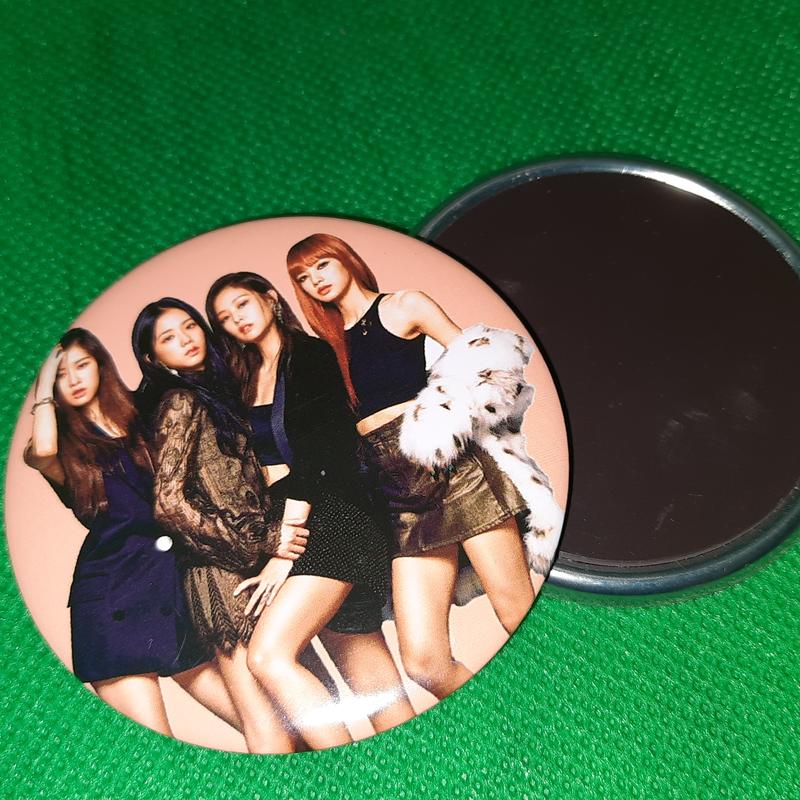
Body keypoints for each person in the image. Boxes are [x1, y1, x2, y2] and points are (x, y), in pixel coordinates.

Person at [287, 233, 539, 700]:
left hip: (451, 471)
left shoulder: (403, 306)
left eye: (321, 265)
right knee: (425, 663)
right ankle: (497, 718)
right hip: (394, 488)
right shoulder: (326, 346)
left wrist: (448, 426)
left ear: (345, 259)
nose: (314, 279)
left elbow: (482, 363)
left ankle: (560, 701)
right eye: (302, 277)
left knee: (516, 613)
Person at [206, 272, 415, 743]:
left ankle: (340, 772)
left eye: (242, 303)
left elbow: (326, 451)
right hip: (299, 520)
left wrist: (287, 550)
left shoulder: (311, 356)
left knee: (268, 657)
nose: (237, 319)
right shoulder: (248, 377)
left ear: (269, 298)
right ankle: (418, 762)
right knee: (369, 675)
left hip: (334, 517)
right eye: (225, 317)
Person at [24, 328, 242, 737]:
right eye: (60, 374)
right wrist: (43, 387)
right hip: (112, 598)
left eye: (82, 365)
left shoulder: (144, 416)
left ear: (100, 365)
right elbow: (42, 452)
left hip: (171, 590)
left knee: (260, 721)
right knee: (157, 745)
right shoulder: (61, 447)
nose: (74, 379)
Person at [132, 299, 307, 753]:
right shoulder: (180, 401)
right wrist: (264, 540)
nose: (186, 339)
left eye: (189, 326)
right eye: (168, 337)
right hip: (222, 577)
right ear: (153, 358)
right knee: (267, 722)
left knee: (300, 717)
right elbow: (169, 503)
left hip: (253, 569)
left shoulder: (217, 393)